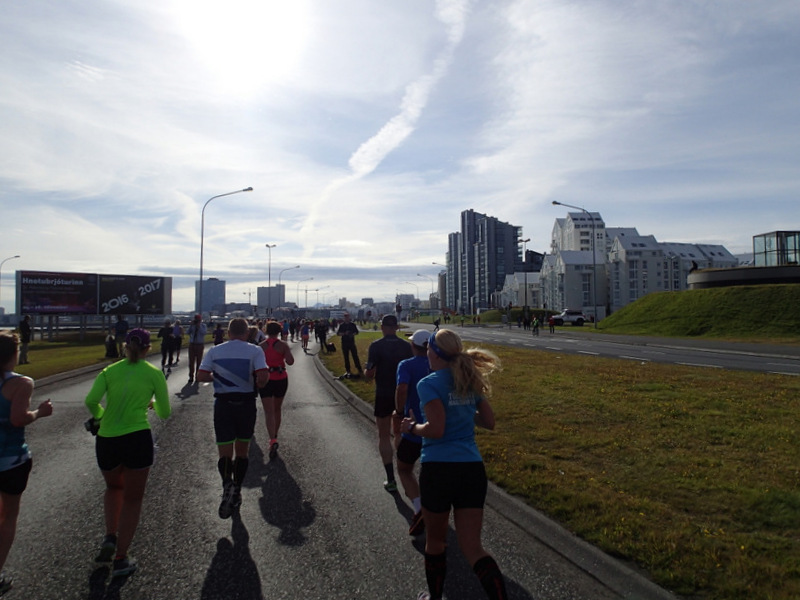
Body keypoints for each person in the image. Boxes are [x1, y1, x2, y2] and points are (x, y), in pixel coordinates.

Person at [400, 329, 506, 600]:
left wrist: (412, 427)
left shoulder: (429, 383)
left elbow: (435, 429)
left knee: (436, 542)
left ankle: (435, 598)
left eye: (428, 350)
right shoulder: (468, 379)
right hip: (471, 469)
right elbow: (489, 422)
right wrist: (463, 413)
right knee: (473, 548)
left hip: (439, 469)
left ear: (433, 353)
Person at [85, 328, 170, 579]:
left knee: (113, 489)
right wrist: (152, 404)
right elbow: (165, 413)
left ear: (124, 346)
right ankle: (121, 558)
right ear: (147, 348)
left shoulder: (109, 371)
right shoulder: (153, 374)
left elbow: (91, 401)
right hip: (137, 438)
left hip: (107, 439)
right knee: (133, 499)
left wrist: (103, 417)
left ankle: (110, 536)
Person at [197, 318, 268, 519]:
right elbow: (263, 377)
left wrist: (217, 377)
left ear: (228, 333)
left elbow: (201, 376)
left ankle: (227, 483)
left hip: (223, 404)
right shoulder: (255, 351)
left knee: (225, 452)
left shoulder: (215, 351)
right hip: (245, 404)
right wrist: (258, 383)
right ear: (247, 333)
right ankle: (236, 488)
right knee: (242, 452)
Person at [0, 333, 53, 595]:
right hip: (11, 460)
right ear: (14, 353)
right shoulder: (22, 383)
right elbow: (18, 419)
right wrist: (40, 413)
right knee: (8, 517)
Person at [364, 315, 412, 492]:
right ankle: (406, 475)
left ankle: (390, 478)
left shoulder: (376, 346)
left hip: (383, 394)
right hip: (403, 393)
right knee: (401, 434)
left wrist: (366, 370)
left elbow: (369, 373)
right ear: (397, 327)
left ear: (382, 327)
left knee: (384, 435)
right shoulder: (407, 347)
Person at [393, 329, 430, 536]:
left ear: (413, 346)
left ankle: (418, 508)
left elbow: (402, 389)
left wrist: (398, 412)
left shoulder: (406, 365)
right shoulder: (441, 366)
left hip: (413, 426)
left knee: (405, 468)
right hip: (437, 426)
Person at [258, 321, 295, 460]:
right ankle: (275, 435)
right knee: (277, 409)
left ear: (266, 331)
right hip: (280, 378)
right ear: (279, 331)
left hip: (266, 379)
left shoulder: (261, 346)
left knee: (268, 411)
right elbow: (291, 362)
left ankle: (272, 439)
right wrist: (283, 355)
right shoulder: (283, 345)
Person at [336, 312, 363, 377]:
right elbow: (338, 333)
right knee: (346, 357)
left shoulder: (352, 325)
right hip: (344, 343)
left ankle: (359, 368)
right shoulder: (342, 325)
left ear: (349, 317)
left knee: (355, 356)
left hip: (351, 343)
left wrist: (351, 334)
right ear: (344, 318)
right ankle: (348, 370)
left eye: (347, 317)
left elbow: (356, 332)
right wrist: (344, 333)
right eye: (345, 317)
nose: (346, 318)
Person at [187, 315, 207, 384]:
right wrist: (191, 326)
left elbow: (204, 333)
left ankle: (197, 376)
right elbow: (187, 332)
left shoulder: (203, 326)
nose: (197, 321)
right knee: (191, 362)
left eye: (198, 320)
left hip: (199, 345)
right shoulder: (192, 325)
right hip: (192, 344)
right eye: (196, 320)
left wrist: (199, 326)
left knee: (199, 361)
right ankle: (191, 376)